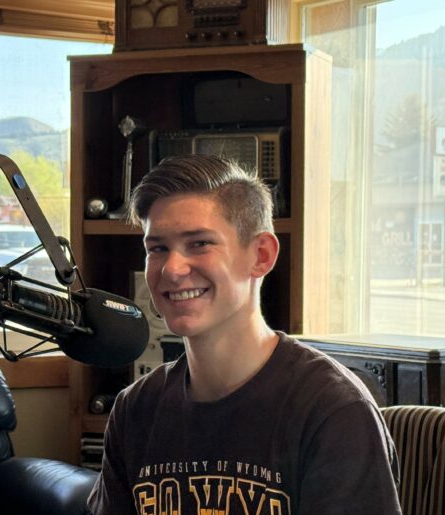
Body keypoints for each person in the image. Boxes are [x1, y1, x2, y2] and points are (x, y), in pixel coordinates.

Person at [87, 155, 401, 514]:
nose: (171, 269)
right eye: (157, 249)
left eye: (199, 243)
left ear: (261, 255)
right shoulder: (135, 409)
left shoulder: (333, 411)